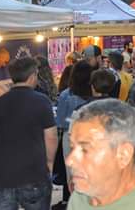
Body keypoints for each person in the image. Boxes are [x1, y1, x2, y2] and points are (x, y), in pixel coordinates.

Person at [65, 99, 135, 208]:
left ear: (123, 155)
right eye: (72, 147)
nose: (69, 160)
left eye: (85, 149)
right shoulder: (81, 197)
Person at [0, 57, 58, 210]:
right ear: (32, 76)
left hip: (2, 178)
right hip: (34, 175)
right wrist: (49, 163)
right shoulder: (42, 102)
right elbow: (51, 137)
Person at [56, 60, 93, 206]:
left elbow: (60, 121)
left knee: (72, 174)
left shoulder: (66, 95)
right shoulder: (93, 93)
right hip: (91, 138)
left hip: (70, 137)